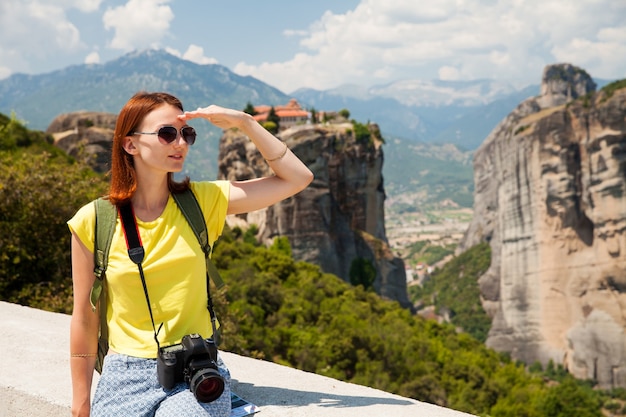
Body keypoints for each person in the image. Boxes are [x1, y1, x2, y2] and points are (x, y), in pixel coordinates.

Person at [68, 91, 314, 417]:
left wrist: (246, 122)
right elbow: (85, 319)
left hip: (195, 367)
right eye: (167, 134)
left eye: (186, 134)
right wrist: (80, 404)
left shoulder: (202, 202)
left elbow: (298, 178)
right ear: (130, 144)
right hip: (124, 374)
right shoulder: (94, 220)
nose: (180, 143)